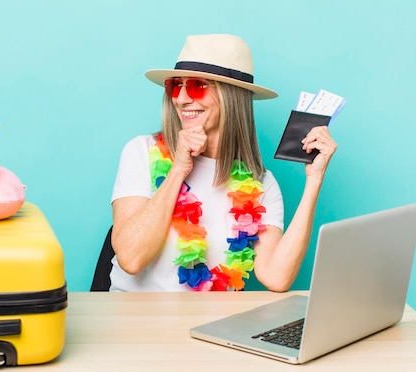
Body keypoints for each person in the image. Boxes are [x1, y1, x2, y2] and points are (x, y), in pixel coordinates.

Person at [109, 34, 337, 292]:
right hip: (134, 321)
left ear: (231, 98)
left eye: (196, 85)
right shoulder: (142, 152)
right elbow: (131, 258)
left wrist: (314, 180)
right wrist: (178, 170)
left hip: (204, 326)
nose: (182, 98)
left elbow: (277, 277)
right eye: (176, 86)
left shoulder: (260, 184)